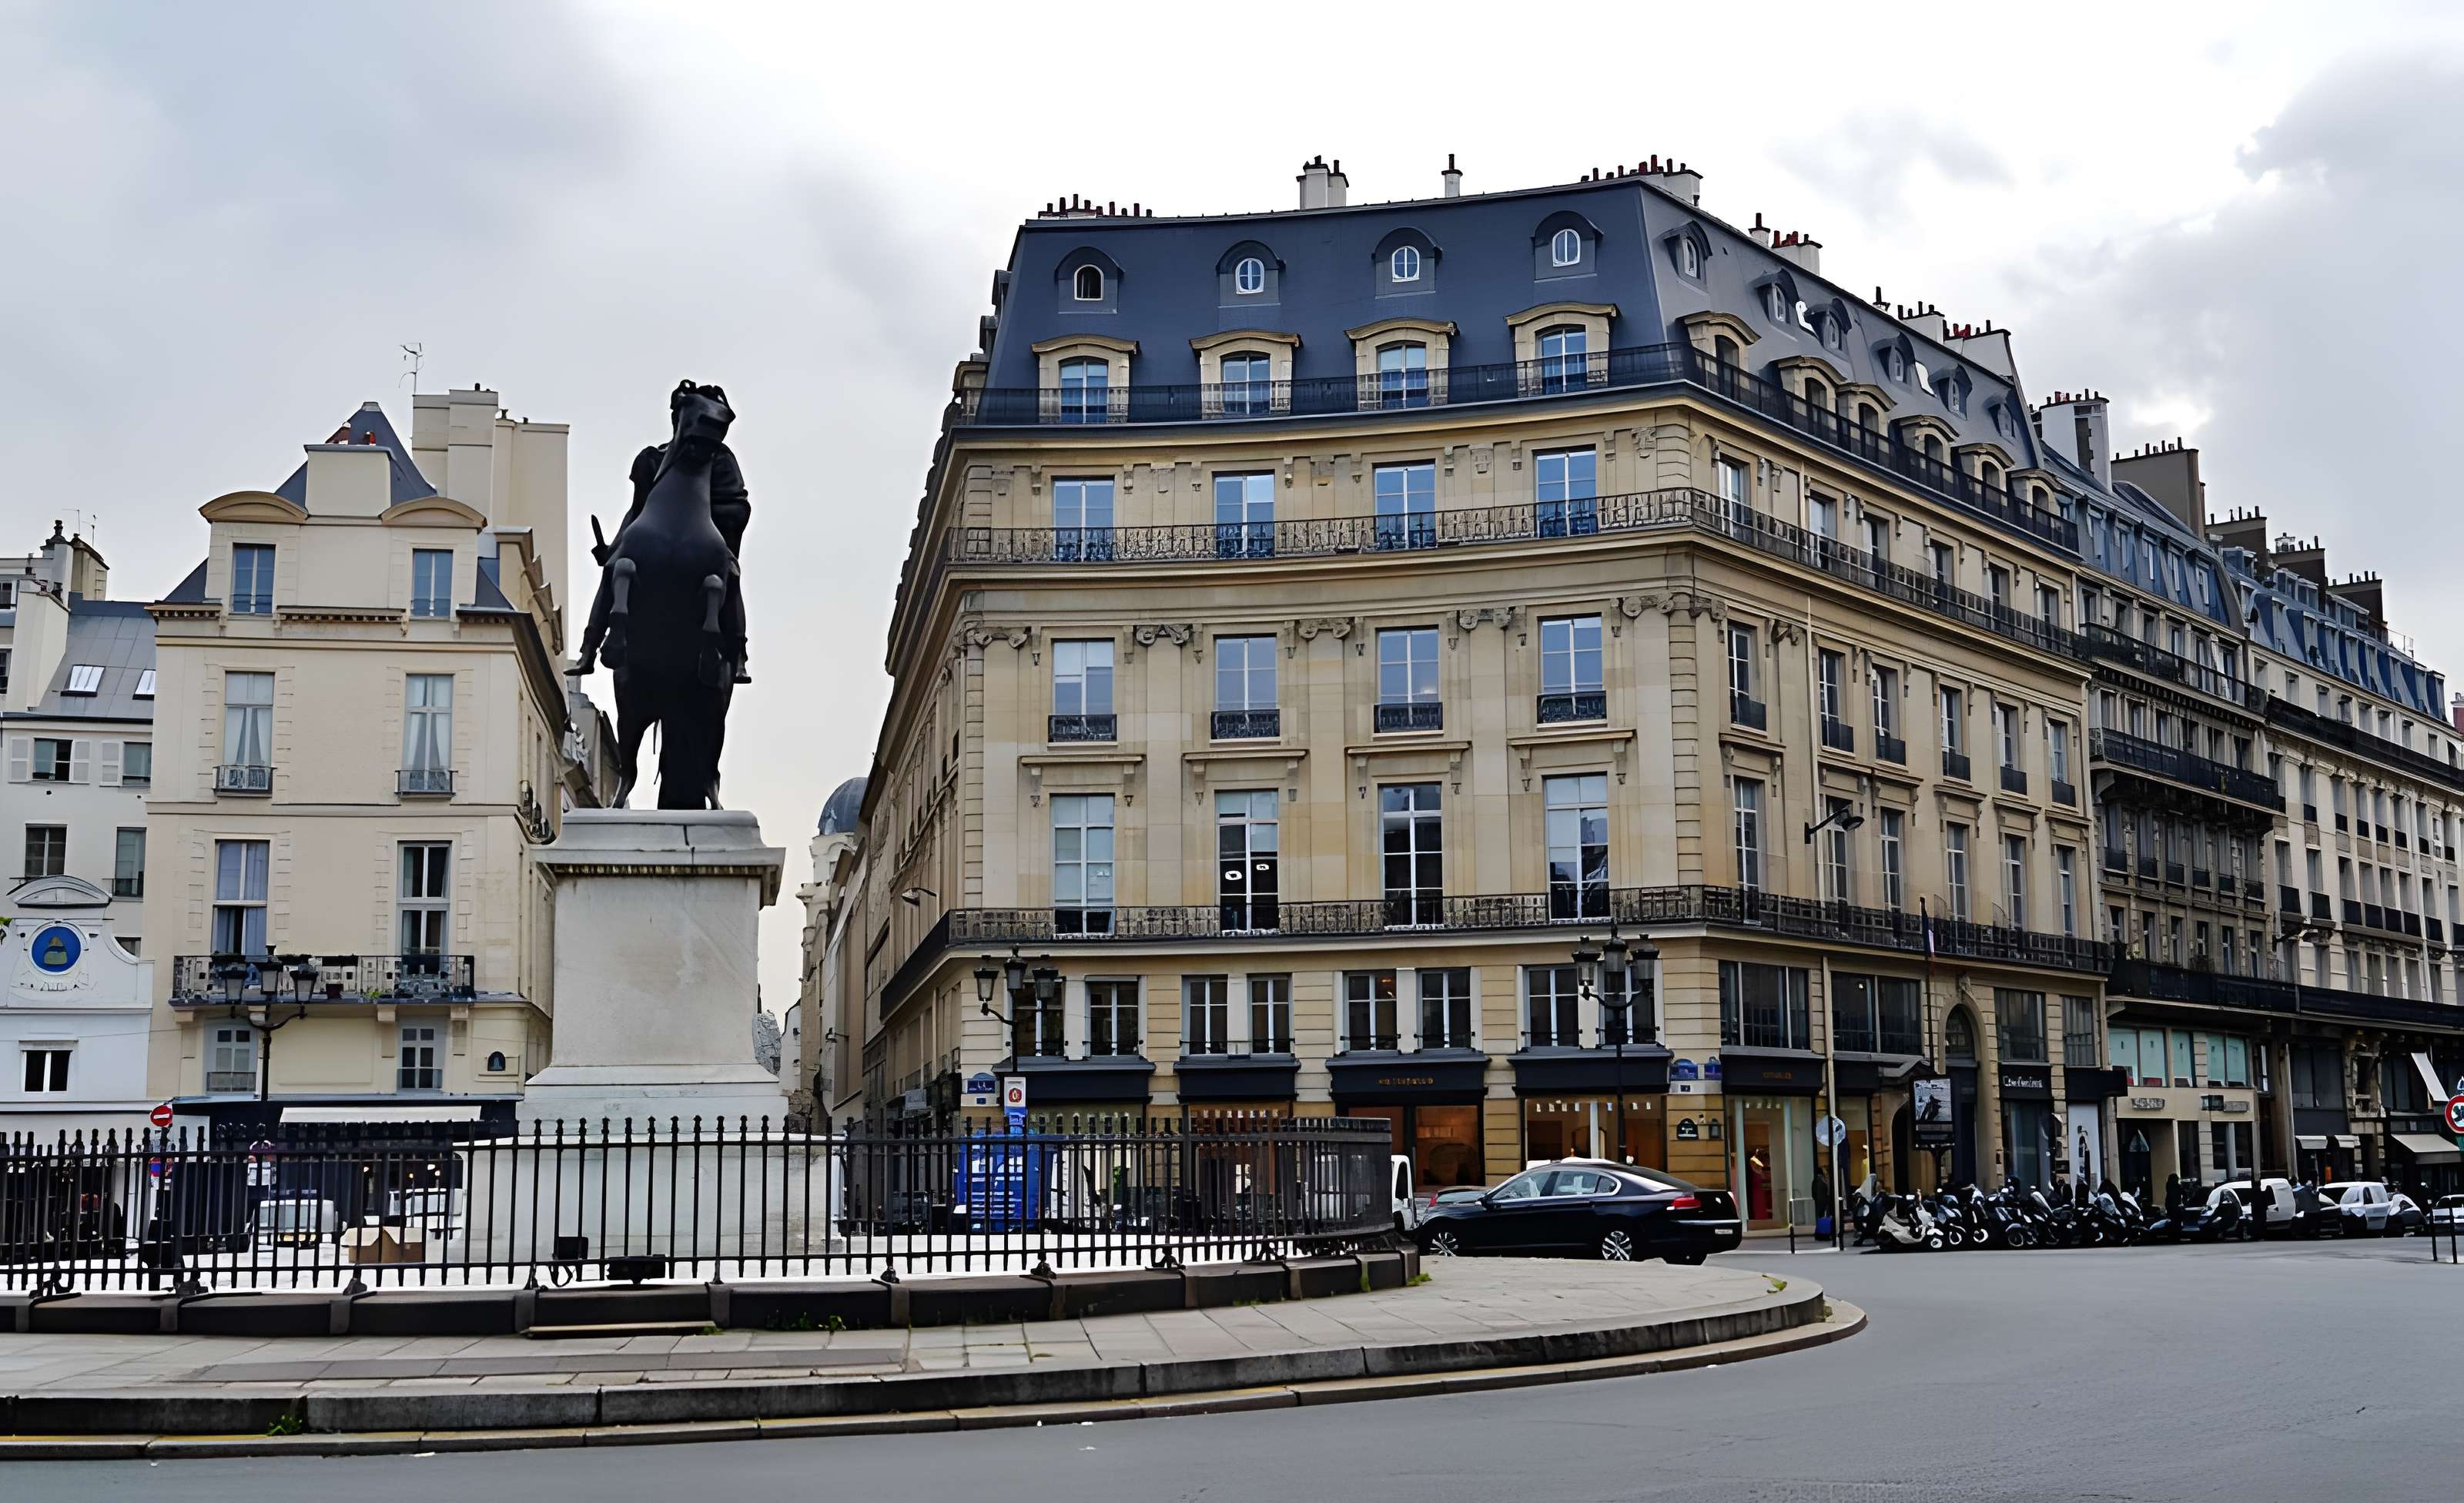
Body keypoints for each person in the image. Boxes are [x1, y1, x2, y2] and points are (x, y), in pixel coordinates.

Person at [575, 387, 754, 682]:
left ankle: (738, 657)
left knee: (731, 575)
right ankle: (589, 648)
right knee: (613, 570)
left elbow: (738, 503)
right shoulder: (651, 459)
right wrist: (613, 548)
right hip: (651, 531)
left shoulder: (720, 459)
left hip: (710, 533)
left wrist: (715, 516)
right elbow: (637, 508)